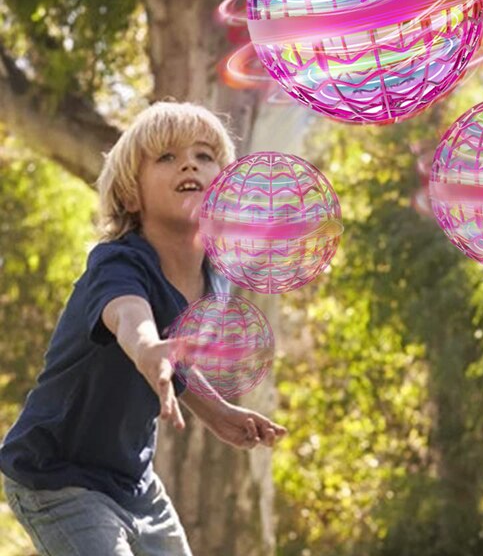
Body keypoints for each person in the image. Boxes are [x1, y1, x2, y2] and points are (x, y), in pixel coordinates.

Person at [0, 101, 287, 555]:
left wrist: (217, 413)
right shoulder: (118, 262)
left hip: (134, 481)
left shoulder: (213, 280)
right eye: (167, 157)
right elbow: (128, 315)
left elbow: (174, 366)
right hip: (55, 474)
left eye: (204, 156)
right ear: (132, 195)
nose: (189, 162)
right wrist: (147, 346)